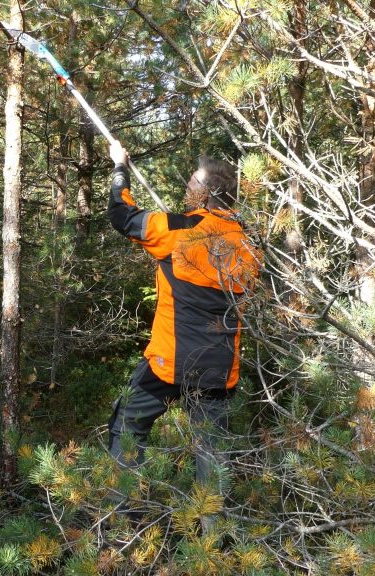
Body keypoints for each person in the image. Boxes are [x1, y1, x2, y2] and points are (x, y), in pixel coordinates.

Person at [105, 141, 257, 525]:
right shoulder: (249, 245)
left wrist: (120, 168)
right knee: (213, 452)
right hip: (219, 370)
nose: (187, 186)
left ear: (203, 194)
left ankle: (128, 520)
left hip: (169, 363)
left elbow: (123, 215)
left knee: (127, 424)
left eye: (192, 182)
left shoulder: (179, 229)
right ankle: (214, 539)